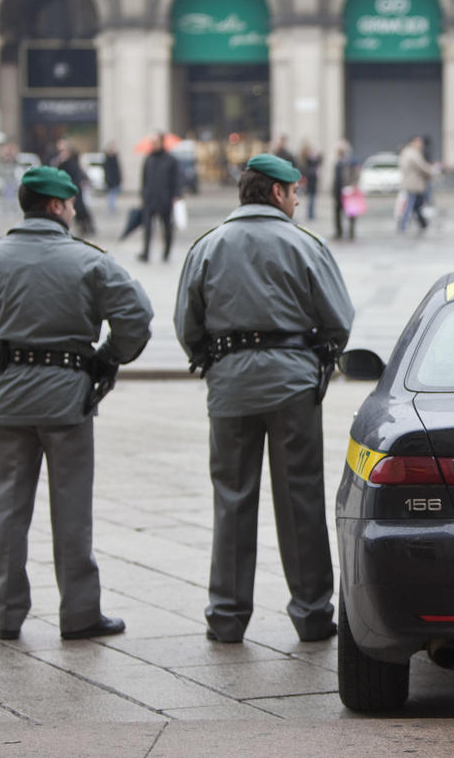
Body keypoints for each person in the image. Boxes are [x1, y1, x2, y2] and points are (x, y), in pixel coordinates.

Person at [0, 165, 153, 642]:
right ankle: (80, 614)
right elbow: (136, 318)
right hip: (68, 400)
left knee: (8, 512)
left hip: (8, 402)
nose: (75, 210)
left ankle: (6, 615)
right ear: (58, 206)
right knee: (72, 511)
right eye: (72, 203)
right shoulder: (90, 261)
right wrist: (105, 361)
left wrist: (5, 368)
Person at [174, 153, 354, 644]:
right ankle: (313, 614)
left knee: (232, 500)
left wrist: (215, 361)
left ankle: (228, 617)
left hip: (230, 387)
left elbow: (186, 325)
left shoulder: (208, 246)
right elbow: (339, 319)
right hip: (293, 385)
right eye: (295, 191)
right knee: (300, 499)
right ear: (276, 192)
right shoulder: (305, 245)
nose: (297, 199)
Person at [139, 132, 183, 262]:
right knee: (147, 227)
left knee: (167, 227)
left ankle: (166, 252)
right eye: (152, 142)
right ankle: (146, 253)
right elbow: (144, 179)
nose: (154, 144)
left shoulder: (171, 160)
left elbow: (177, 179)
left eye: (156, 142)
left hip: (165, 199)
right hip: (150, 199)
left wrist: (176, 195)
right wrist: (143, 195)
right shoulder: (148, 159)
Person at [53, 139, 95, 237]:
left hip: (75, 188)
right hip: (66, 188)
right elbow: (56, 171)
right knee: (70, 208)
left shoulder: (74, 160)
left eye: (63, 150)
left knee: (80, 208)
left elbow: (78, 172)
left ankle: (86, 227)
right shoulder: (60, 160)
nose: (62, 152)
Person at [397, 134, 435, 233]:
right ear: (413, 142)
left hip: (412, 183)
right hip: (413, 184)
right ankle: (403, 226)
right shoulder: (413, 153)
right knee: (410, 206)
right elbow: (422, 167)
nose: (421, 144)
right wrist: (433, 171)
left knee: (417, 206)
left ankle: (423, 224)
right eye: (419, 142)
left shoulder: (407, 152)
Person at [332, 139, 362, 240]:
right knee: (337, 211)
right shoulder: (337, 161)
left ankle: (351, 232)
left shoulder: (351, 161)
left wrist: (353, 185)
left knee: (351, 212)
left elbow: (357, 174)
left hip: (348, 190)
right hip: (338, 190)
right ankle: (339, 231)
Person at [297, 141, 321, 220]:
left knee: (312, 198)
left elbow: (320, 159)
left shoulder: (314, 160)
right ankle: (310, 214)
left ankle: (311, 214)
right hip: (310, 182)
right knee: (310, 198)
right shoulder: (307, 160)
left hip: (313, 182)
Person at [103, 141, 122, 215]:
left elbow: (118, 169)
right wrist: (108, 179)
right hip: (110, 180)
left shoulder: (115, 157)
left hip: (115, 179)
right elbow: (106, 170)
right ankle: (111, 207)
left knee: (115, 192)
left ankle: (112, 206)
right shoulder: (107, 158)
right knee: (111, 194)